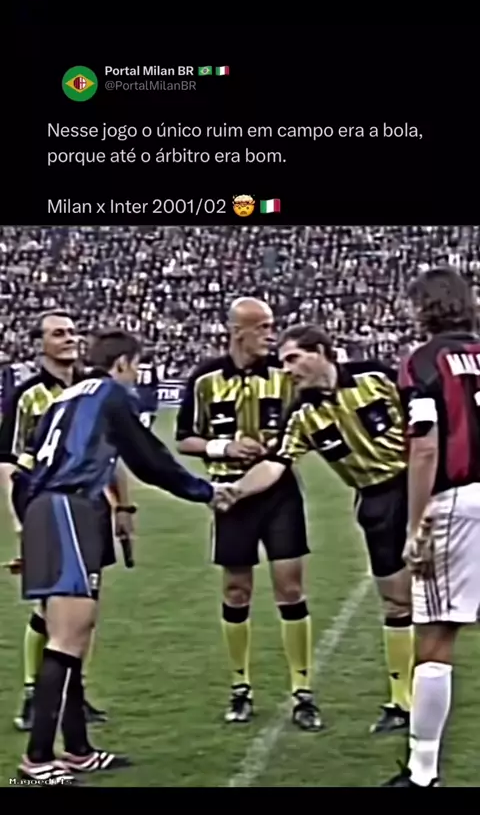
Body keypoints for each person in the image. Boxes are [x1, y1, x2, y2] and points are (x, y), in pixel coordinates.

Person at [15, 327, 231, 784]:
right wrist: (205, 491)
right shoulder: (111, 394)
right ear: (123, 364)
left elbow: (27, 467)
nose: (136, 377)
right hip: (69, 506)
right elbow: (149, 459)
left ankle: (77, 749)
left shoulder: (63, 398)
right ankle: (37, 760)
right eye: (136, 367)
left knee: (71, 633)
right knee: (68, 636)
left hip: (48, 507)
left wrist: (30, 530)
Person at [220, 322, 415, 734]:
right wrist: (234, 491)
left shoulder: (376, 377)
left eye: (294, 358)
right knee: (397, 601)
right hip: (375, 502)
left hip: (417, 485)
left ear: (322, 352)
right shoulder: (303, 416)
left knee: (449, 594)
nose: (287, 369)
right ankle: (402, 702)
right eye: (283, 362)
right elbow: (276, 464)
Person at [176, 298, 322, 731]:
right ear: (237, 331)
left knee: (290, 588)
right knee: (236, 589)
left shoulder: (284, 375)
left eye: (272, 327)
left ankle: (302, 690)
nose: (270, 336)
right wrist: (224, 447)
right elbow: (185, 438)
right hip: (230, 496)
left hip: (279, 490)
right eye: (262, 327)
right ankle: (240, 686)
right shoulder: (205, 379)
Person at [382, 268, 480, 787]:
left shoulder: (424, 361)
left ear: (425, 308)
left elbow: (424, 445)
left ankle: (422, 773)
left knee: (437, 639)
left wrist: (416, 525)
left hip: (458, 500)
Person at [0, 310, 118, 730]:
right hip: (48, 510)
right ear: (40, 344)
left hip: (92, 509)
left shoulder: (93, 389)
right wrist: (19, 522)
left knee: (85, 605)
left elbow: (109, 451)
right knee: (50, 606)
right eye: (58, 333)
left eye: (72, 332)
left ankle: (73, 695)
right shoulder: (27, 396)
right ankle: (36, 694)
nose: (69, 339)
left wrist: (123, 507)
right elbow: (8, 462)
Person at [135, 353, 159, 429]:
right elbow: (155, 381)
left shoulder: (136, 367)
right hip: (148, 390)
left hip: (138, 389)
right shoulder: (152, 368)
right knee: (147, 411)